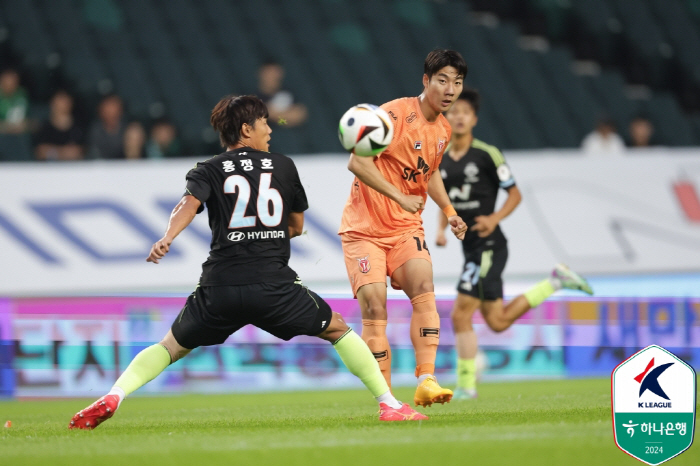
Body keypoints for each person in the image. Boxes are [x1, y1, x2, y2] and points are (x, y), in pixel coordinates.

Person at [68, 95, 425, 429]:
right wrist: (267, 233)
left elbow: (187, 204)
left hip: (219, 286)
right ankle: (389, 404)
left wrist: (167, 238)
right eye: (264, 123)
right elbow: (296, 227)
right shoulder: (283, 166)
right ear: (245, 130)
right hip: (273, 286)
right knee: (337, 328)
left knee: (170, 346)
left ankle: (115, 394)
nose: (270, 130)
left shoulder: (208, 168)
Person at [437, 90, 594, 400]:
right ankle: (554, 281)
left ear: (474, 119)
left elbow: (515, 194)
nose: (458, 116)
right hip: (470, 246)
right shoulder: (439, 157)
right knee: (497, 322)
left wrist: (494, 218)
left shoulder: (487, 154)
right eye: (453, 111)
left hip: (489, 243)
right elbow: (444, 200)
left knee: (459, 314)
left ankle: (466, 386)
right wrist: (441, 229)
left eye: (464, 112)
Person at [338, 48, 468, 407]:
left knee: (425, 287)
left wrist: (449, 209)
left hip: (405, 227)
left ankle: (426, 378)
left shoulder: (443, 128)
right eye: (442, 80)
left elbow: (430, 172)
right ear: (426, 81)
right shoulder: (392, 114)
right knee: (375, 308)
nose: (450, 89)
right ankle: (387, 400)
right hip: (364, 229)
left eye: (456, 82)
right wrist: (398, 195)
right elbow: (357, 163)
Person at [34, 90, 85, 161]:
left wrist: (52, 151)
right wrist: (63, 153)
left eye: (67, 99)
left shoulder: (79, 127)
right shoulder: (44, 127)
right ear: (52, 102)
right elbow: (41, 152)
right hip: (49, 169)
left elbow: (80, 152)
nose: (64, 103)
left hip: (73, 169)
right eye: (61, 99)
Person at [257, 61, 307, 127]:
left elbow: (298, 116)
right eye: (268, 73)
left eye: (274, 73)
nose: (271, 77)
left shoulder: (288, 95)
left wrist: (273, 116)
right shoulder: (252, 97)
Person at [87, 94, 126, 159]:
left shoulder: (128, 128)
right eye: (107, 106)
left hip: (126, 166)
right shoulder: (95, 130)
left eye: (113, 105)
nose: (110, 110)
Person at [0, 68, 29, 134]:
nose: (10, 85)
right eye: (7, 81)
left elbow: (27, 118)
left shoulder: (21, 94)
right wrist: (8, 127)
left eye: (14, 82)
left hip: (19, 133)